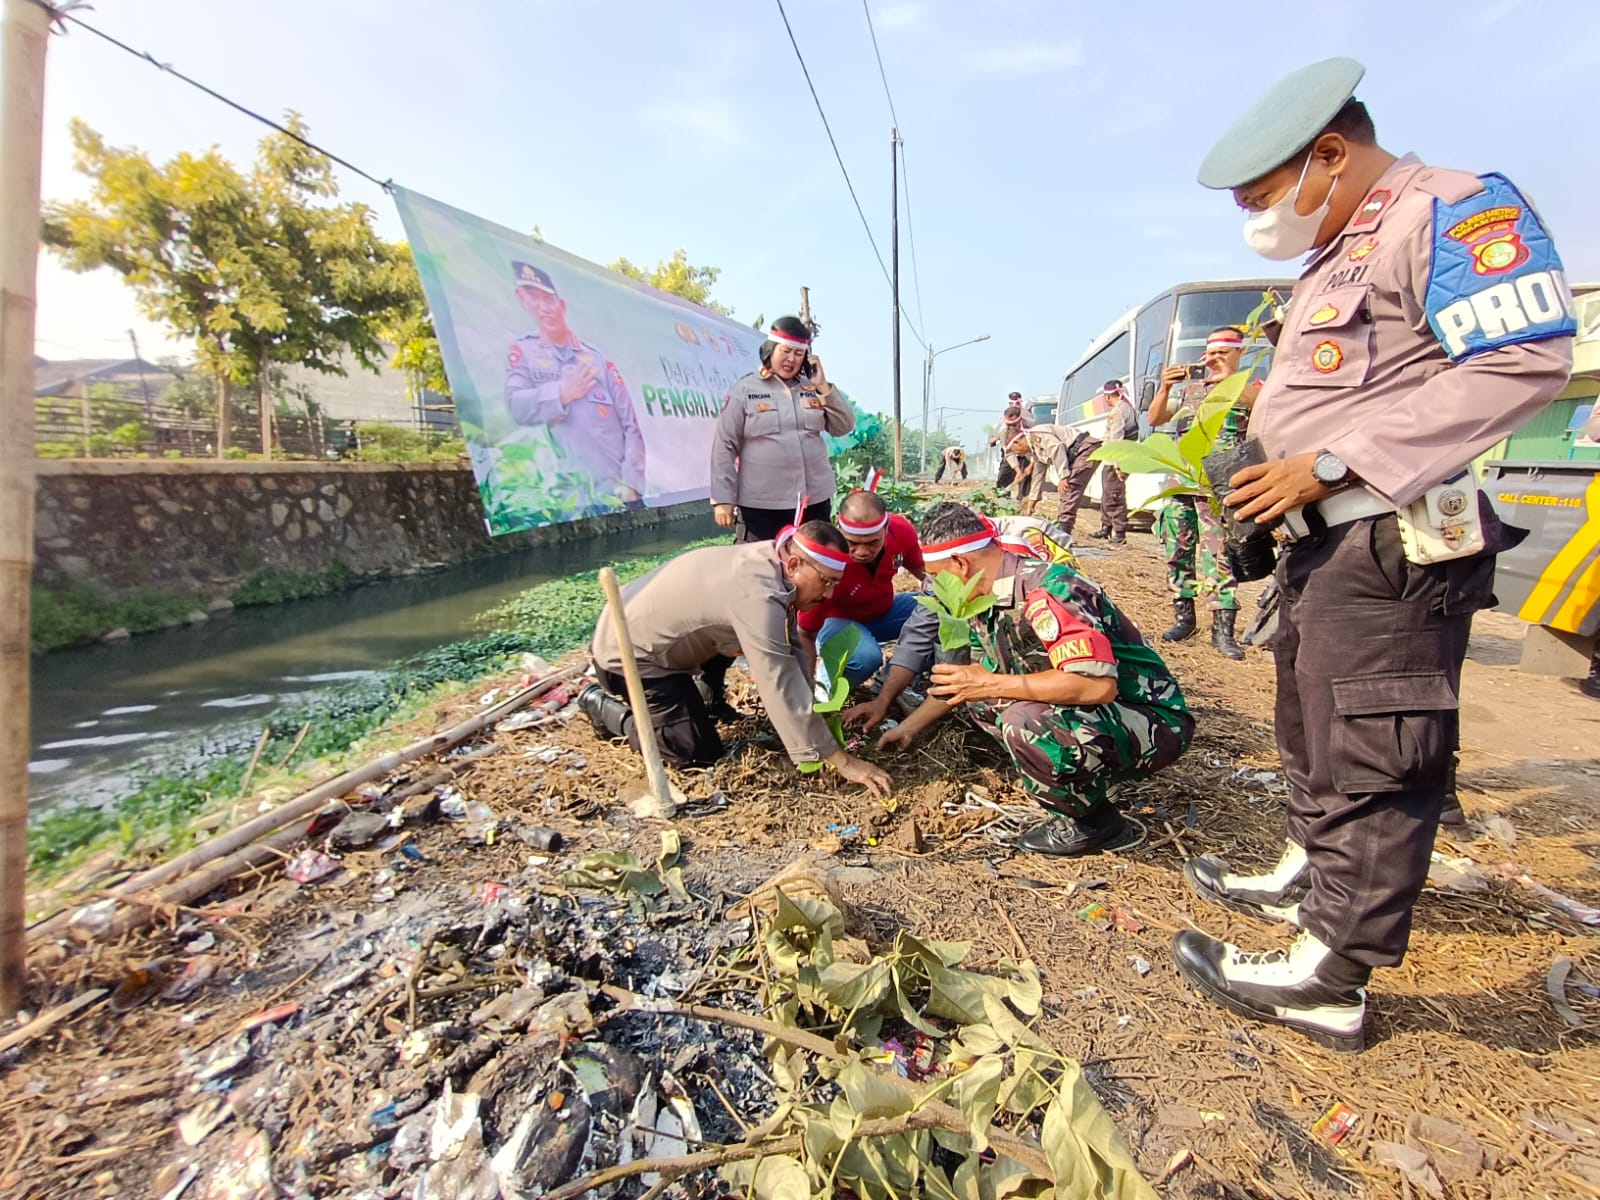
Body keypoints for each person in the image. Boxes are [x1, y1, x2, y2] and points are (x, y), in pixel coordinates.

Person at [1171, 57, 1574, 1052]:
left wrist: (1336, 459)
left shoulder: (1449, 212)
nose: (1257, 220)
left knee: (1373, 748)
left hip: (1393, 533)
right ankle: (1315, 872)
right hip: (1322, 541)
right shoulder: (1332, 252)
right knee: (1309, 722)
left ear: (1331, 153)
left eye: (1263, 198)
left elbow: (1523, 358)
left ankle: (1330, 972)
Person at [857, 503, 1194, 856]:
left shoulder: (1047, 590)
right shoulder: (984, 597)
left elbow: (1098, 685)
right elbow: (967, 682)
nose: (934, 588)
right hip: (1102, 714)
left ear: (960, 564)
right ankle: (1076, 774)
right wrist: (909, 727)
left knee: (1023, 722)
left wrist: (989, 684)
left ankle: (1095, 822)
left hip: (1152, 720)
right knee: (984, 702)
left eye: (936, 577)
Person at [583, 520, 893, 796]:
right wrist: (841, 760)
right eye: (826, 582)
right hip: (628, 655)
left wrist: (814, 710)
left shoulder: (773, 559)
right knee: (695, 753)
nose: (828, 595)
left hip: (670, 638)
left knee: (740, 636)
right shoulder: (757, 596)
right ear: (795, 563)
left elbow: (790, 642)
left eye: (835, 584)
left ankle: (705, 700)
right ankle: (608, 710)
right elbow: (779, 680)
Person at [1147, 327, 1264, 659]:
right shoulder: (1191, 390)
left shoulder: (1249, 389)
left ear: (1239, 353)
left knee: (1219, 556)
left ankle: (1222, 630)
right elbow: (1156, 417)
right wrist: (1167, 385)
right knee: (1177, 550)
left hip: (1220, 485)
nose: (1213, 360)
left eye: (1222, 354)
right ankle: (1184, 618)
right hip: (1182, 480)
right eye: (1210, 355)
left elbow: (1266, 414)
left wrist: (1232, 383)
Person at [505, 262, 646, 510]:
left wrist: (632, 484)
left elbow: (631, 427)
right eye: (532, 297)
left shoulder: (598, 360)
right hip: (570, 502)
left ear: (561, 305)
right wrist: (561, 393)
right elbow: (516, 407)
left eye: (547, 298)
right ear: (523, 300)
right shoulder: (524, 352)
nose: (542, 307)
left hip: (618, 493)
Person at [710, 317, 855, 543]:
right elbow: (724, 445)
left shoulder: (812, 388)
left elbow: (843, 426)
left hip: (813, 502)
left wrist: (823, 386)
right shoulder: (745, 390)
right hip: (761, 506)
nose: (791, 359)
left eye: (799, 354)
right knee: (760, 569)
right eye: (786, 351)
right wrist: (722, 499)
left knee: (813, 568)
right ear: (770, 350)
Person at [796, 490, 926, 688]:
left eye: (873, 542)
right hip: (837, 623)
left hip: (885, 613)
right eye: (852, 543)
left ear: (886, 528)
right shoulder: (828, 562)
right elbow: (805, 631)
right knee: (866, 658)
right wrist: (807, 686)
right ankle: (829, 680)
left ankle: (892, 679)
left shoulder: (901, 531)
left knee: (937, 608)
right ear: (840, 531)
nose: (863, 552)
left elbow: (925, 574)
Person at [1008, 423, 1101, 532]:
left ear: (1017, 442)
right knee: (1067, 490)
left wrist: (1063, 476)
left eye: (1015, 451)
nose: (1018, 455)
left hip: (1084, 449)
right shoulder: (1035, 451)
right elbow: (1038, 477)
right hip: (1077, 454)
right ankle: (1063, 525)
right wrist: (1031, 503)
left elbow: (1057, 448)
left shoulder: (1037, 435)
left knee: (1069, 488)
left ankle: (1064, 530)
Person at [1087, 382, 1137, 544]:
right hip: (1110, 460)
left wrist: (1117, 466)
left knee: (1114, 496)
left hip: (1116, 462)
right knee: (1107, 495)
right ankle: (1106, 527)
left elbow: (1116, 440)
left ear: (1107, 396)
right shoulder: (1121, 409)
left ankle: (1120, 534)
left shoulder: (1120, 411)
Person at [991, 395, 1033, 494]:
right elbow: (1008, 452)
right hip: (1011, 451)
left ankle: (1023, 499)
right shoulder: (1003, 430)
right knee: (1004, 477)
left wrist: (1031, 465)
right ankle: (1002, 499)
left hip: (1028, 452)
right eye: (1009, 425)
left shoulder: (1028, 422)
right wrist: (1018, 470)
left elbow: (1036, 450)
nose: (1011, 427)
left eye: (1014, 425)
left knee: (1026, 478)